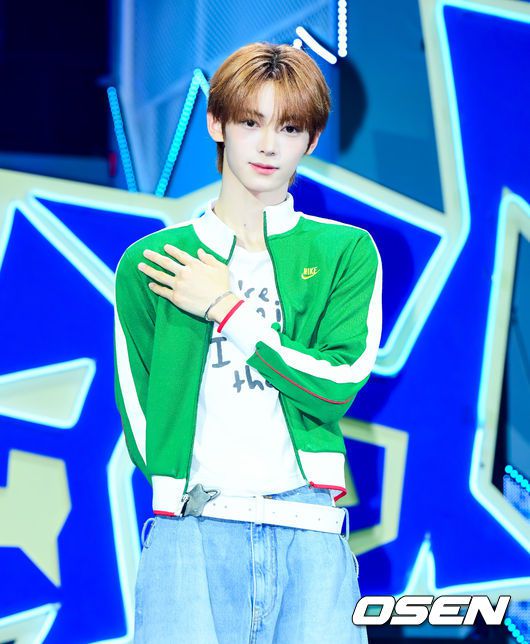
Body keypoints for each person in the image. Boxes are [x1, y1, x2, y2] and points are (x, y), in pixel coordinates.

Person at [114, 41, 382, 643]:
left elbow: (336, 385)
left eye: (288, 127)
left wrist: (228, 309)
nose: (268, 146)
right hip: (191, 531)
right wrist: (176, 487)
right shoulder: (154, 262)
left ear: (311, 140)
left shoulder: (344, 252)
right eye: (250, 122)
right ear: (217, 124)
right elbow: (137, 402)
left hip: (308, 530)